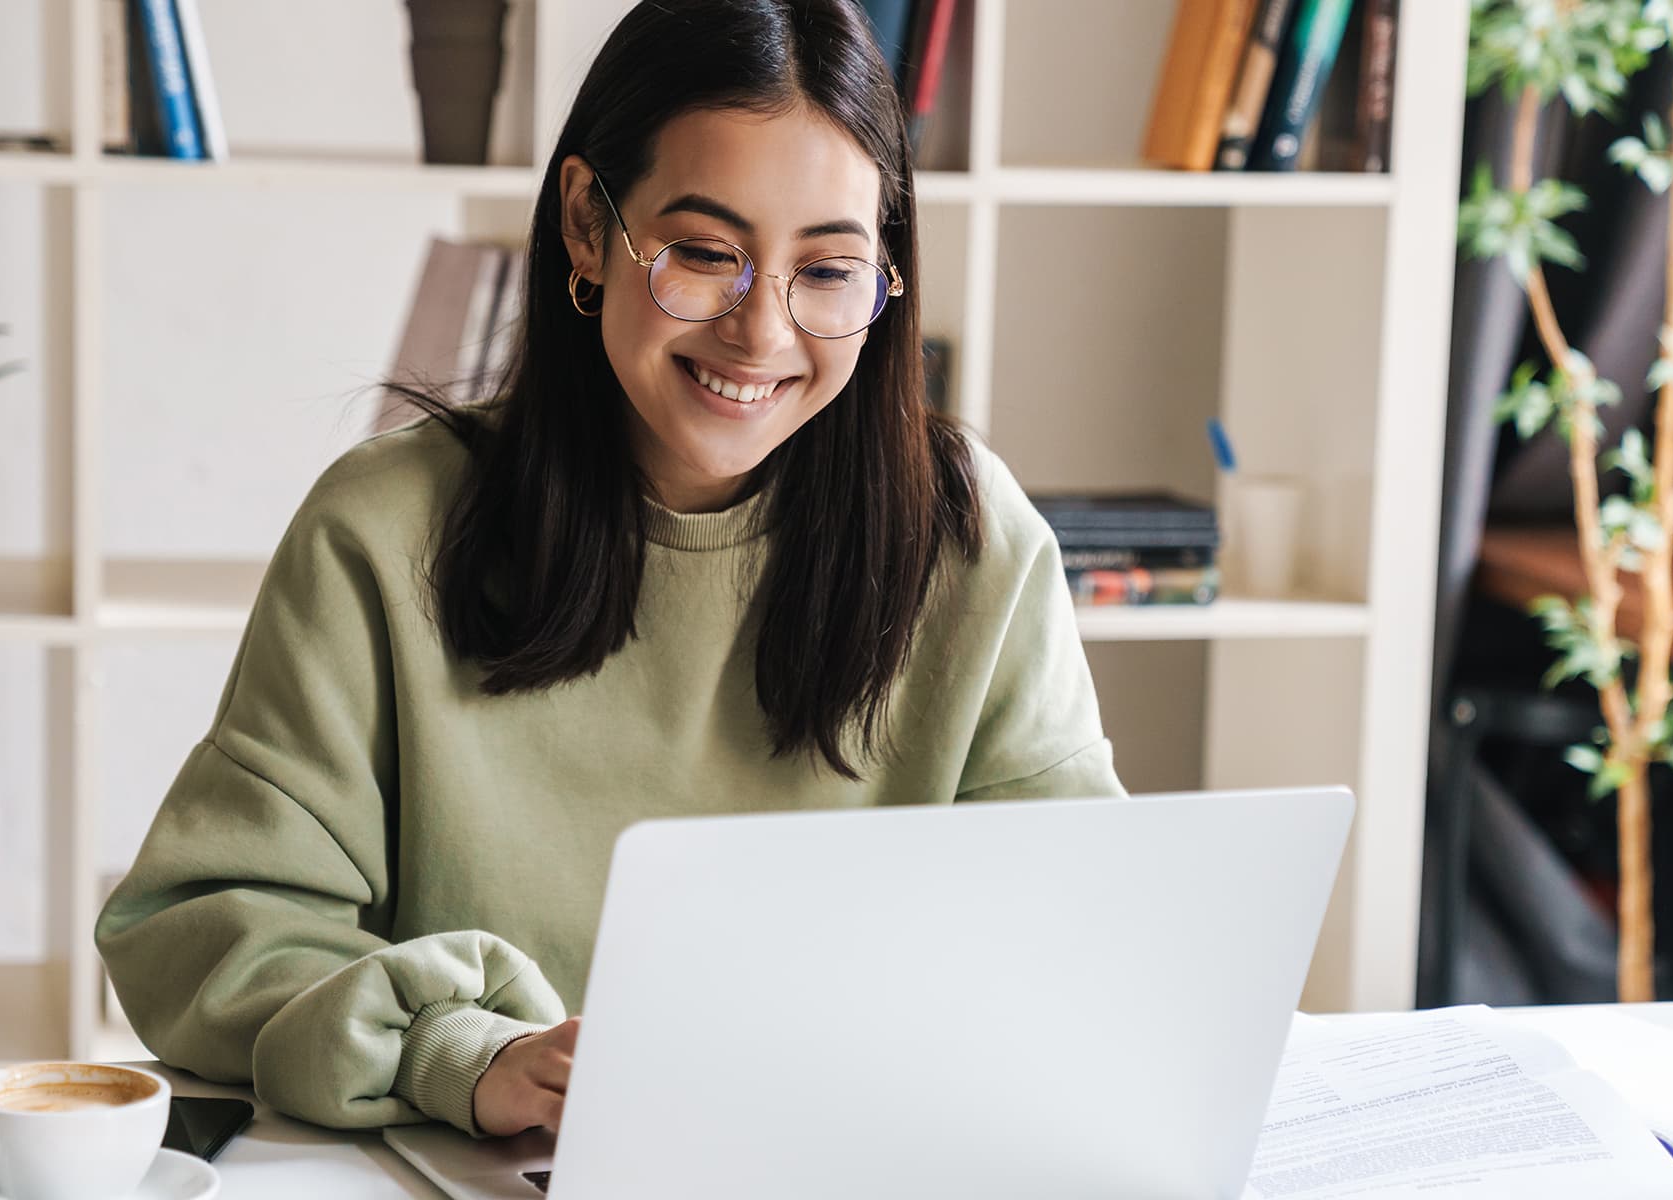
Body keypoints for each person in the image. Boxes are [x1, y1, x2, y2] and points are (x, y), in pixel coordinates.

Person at [96, 0, 1123, 1141]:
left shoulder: (969, 539)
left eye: (827, 271)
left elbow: (1073, 937)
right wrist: (458, 1052)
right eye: (703, 255)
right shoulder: (384, 532)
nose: (761, 335)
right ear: (589, 224)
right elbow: (203, 925)